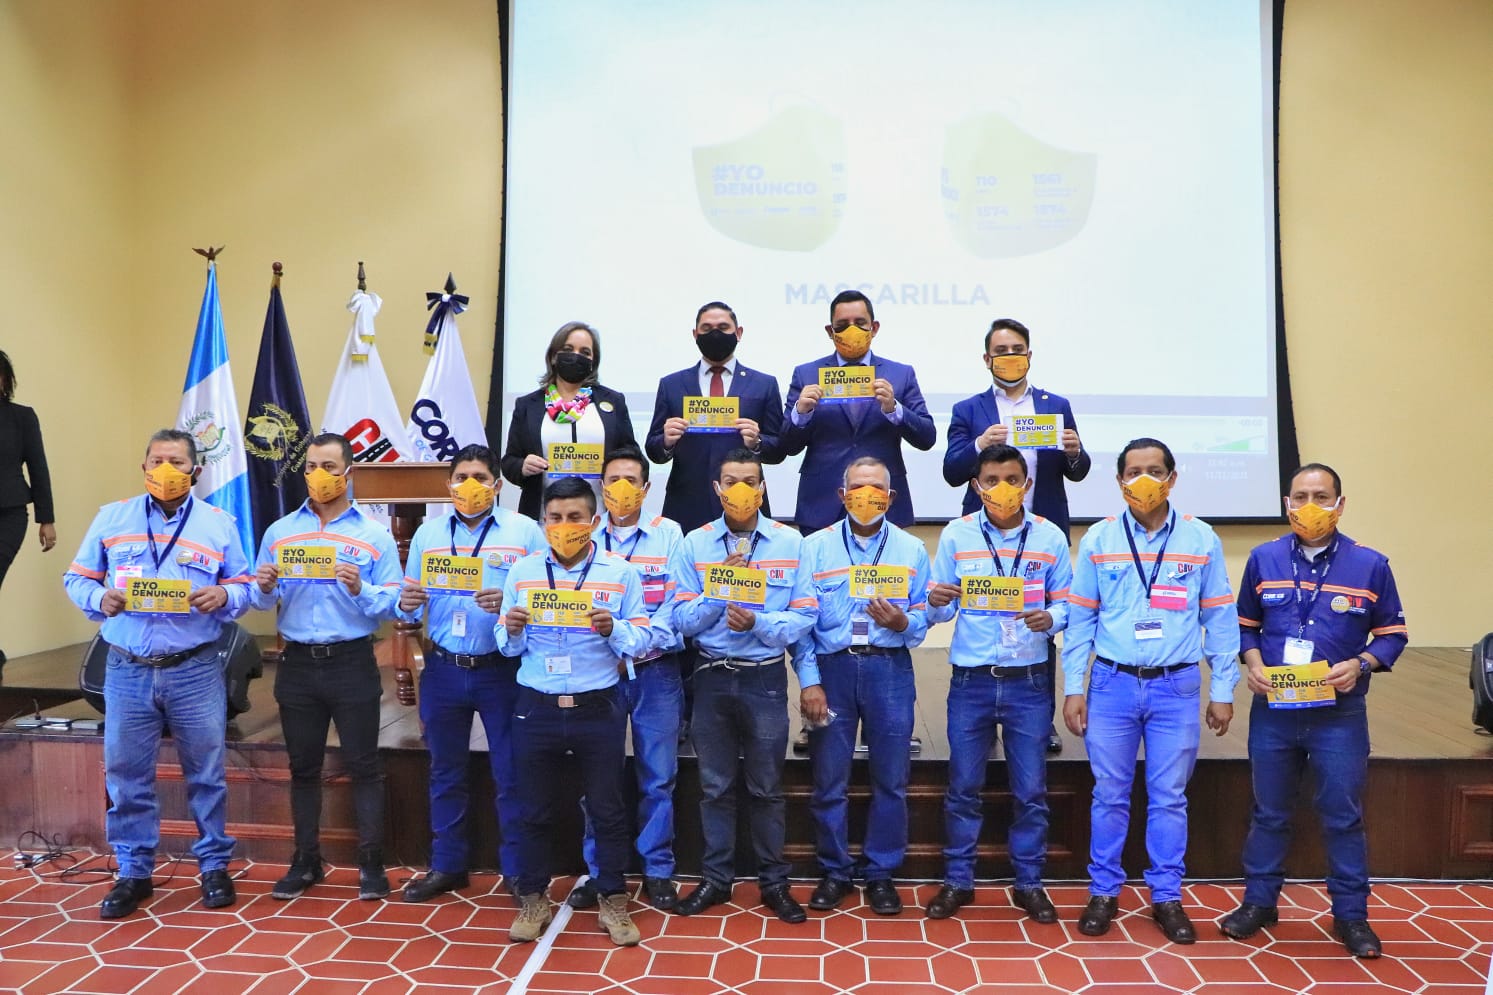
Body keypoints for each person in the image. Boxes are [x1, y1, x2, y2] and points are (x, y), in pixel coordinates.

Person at [63, 429, 254, 919]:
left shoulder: (218, 524)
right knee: (127, 775)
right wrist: (97, 597)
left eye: (176, 462)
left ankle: (214, 866)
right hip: (127, 669)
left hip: (194, 669)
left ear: (196, 470)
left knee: (206, 774)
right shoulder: (112, 518)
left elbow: (244, 584)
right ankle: (133, 872)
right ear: (143, 466)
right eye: (156, 460)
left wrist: (225, 596)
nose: (165, 470)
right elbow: (76, 577)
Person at [1219, 463, 1407, 959]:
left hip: (1338, 715)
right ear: (1286, 504)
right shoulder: (1263, 558)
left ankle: (1351, 915)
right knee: (1269, 811)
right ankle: (1259, 903)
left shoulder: (1370, 564)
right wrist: (1253, 663)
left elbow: (1392, 634)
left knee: (1342, 815)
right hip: (1275, 711)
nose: (1310, 506)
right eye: (1300, 496)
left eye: (1321, 497)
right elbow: (1244, 626)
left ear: (1340, 505)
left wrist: (1361, 664)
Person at [1061, 437, 1239, 944]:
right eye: (1133, 471)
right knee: (1109, 795)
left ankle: (1166, 896)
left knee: (1169, 798)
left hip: (1175, 687)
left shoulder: (1201, 539)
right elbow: (1080, 621)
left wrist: (1222, 689)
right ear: (1119, 481)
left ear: (1172, 478)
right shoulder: (1099, 539)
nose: (1144, 480)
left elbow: (1219, 620)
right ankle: (1103, 892)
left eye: (1155, 471)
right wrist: (1074, 687)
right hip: (1112, 684)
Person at [923, 444, 1072, 922]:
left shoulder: (1049, 536)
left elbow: (1069, 604)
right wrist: (937, 601)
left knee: (1031, 791)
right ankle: (957, 880)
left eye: (1012, 479)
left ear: (1027, 484)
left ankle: (1029, 882)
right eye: (991, 480)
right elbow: (939, 608)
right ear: (977, 485)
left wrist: (1052, 618)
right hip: (971, 680)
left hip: (1029, 680)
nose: (1002, 488)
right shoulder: (957, 534)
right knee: (963, 788)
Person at [499, 477, 650, 946]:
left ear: (595, 520)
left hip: (597, 706)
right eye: (556, 518)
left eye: (575, 517)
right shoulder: (522, 571)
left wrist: (613, 629)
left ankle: (613, 899)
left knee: (607, 809)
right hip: (536, 706)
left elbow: (642, 639)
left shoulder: (620, 573)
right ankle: (533, 897)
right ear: (543, 522)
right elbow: (505, 647)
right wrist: (513, 628)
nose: (565, 526)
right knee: (533, 809)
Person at [251, 433, 402, 901]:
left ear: (348, 473)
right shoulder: (280, 532)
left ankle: (371, 862)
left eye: (330, 467)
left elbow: (394, 603)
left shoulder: (373, 536)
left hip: (351, 661)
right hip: (297, 662)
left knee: (364, 765)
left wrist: (360, 588)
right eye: (312, 466)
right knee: (303, 768)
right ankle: (305, 860)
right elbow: (261, 600)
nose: (319, 476)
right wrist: (263, 585)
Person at [670, 448, 817, 922]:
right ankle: (716, 880)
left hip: (764, 678)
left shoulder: (790, 542)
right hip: (711, 675)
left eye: (749, 482)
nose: (740, 490)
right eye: (730, 481)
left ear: (762, 487)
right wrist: (721, 590)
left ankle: (774, 883)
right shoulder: (695, 543)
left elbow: (805, 616)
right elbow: (681, 621)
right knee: (715, 787)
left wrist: (758, 622)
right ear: (717, 488)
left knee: (767, 787)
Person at [397, 444, 546, 903]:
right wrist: (406, 602)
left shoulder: (525, 531)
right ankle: (448, 866)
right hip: (444, 668)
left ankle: (518, 871)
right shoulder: (428, 534)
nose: (470, 486)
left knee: (511, 773)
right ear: (448, 484)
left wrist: (509, 602)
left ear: (497, 485)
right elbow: (409, 601)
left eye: (480, 477)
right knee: (445, 771)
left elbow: (545, 595)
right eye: (461, 477)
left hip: (502, 670)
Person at [943, 318, 1090, 755]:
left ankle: (1039, 721)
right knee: (986, 615)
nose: (1010, 357)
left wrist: (1074, 451)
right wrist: (977, 446)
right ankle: (980, 717)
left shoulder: (1055, 404)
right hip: (985, 535)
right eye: (1001, 351)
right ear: (986, 358)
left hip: (1039, 531)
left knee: (1041, 619)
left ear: (1029, 355)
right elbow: (952, 471)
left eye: (1017, 350)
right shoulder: (969, 410)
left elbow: (1077, 471)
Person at [792, 456, 930, 916]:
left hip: (889, 670)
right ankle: (835, 871)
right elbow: (802, 625)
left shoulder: (911, 550)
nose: (866, 496)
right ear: (842, 494)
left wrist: (903, 622)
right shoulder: (814, 548)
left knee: (891, 779)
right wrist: (809, 682)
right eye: (857, 487)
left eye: (875, 488)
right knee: (828, 778)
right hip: (832, 670)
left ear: (890, 498)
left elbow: (923, 618)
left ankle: (881, 873)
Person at [567, 446, 686, 912]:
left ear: (646, 487)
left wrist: (631, 646)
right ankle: (601, 871)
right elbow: (570, 602)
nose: (621, 488)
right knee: (598, 779)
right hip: (598, 676)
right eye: (612, 479)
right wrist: (613, 652)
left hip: (656, 671)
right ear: (600, 486)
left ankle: (657, 870)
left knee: (658, 777)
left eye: (630, 480)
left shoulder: (669, 535)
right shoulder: (583, 535)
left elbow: (674, 610)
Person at [780, 290, 936, 531]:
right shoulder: (806, 374)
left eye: (860, 323)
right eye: (842, 325)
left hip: (883, 501)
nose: (851, 330)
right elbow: (787, 446)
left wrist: (895, 409)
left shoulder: (900, 374)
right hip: (822, 502)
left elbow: (927, 438)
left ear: (874, 328)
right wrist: (801, 413)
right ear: (830, 331)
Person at [645, 301, 785, 533]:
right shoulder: (672, 384)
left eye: (723, 327)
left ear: (738, 333)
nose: (715, 334)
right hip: (686, 502)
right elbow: (653, 449)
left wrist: (757, 442)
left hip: (745, 503)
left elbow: (779, 449)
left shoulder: (764, 384)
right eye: (707, 328)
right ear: (695, 334)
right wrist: (666, 442)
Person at [501, 320, 637, 520]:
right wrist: (522, 466)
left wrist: (615, 469)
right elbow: (509, 462)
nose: (576, 356)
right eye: (568, 349)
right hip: (543, 518)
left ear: (593, 362)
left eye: (585, 352)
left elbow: (631, 454)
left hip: (601, 517)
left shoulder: (613, 401)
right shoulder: (528, 405)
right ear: (553, 357)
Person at [0, 350, 57, 667]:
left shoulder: (22, 417)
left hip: (8, 514)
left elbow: (38, 467)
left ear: (5, 380)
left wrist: (46, 519)